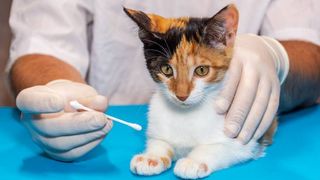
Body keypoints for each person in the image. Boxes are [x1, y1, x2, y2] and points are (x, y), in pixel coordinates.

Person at [7, 0, 320, 162]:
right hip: (105, 134)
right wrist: (56, 92)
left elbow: (310, 46)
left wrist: (275, 57)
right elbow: (41, 43)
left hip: (234, 124)